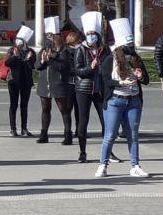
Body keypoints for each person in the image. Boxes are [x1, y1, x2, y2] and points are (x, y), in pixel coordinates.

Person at [97, 18, 150, 178]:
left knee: (133, 135)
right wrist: (121, 82)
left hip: (133, 101)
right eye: (127, 46)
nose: (130, 49)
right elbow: (105, 81)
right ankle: (103, 165)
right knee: (110, 134)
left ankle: (135, 166)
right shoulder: (110, 60)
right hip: (115, 101)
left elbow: (146, 80)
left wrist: (140, 77)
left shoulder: (136, 59)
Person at [71, 12, 109, 163]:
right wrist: (90, 68)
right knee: (83, 121)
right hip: (84, 89)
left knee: (106, 121)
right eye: (88, 34)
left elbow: (109, 66)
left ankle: (108, 151)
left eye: (93, 34)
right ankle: (82, 152)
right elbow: (77, 70)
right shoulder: (80, 49)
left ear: (98, 35)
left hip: (100, 89)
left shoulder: (104, 49)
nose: (91, 36)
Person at [34, 17, 74, 145]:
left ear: (57, 36)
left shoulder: (63, 51)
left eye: (51, 36)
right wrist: (43, 61)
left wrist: (52, 58)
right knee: (45, 109)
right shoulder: (44, 49)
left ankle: (68, 135)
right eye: (47, 36)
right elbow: (37, 66)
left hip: (59, 84)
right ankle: (44, 134)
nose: (49, 38)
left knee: (64, 109)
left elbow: (63, 67)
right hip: (44, 84)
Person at [3, 25, 36, 137]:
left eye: (21, 40)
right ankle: (13, 129)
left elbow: (32, 66)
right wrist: (15, 56)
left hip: (26, 81)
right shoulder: (12, 50)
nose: (19, 43)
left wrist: (28, 59)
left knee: (24, 105)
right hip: (13, 81)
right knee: (13, 104)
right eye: (17, 40)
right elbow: (7, 63)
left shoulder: (30, 51)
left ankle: (24, 128)